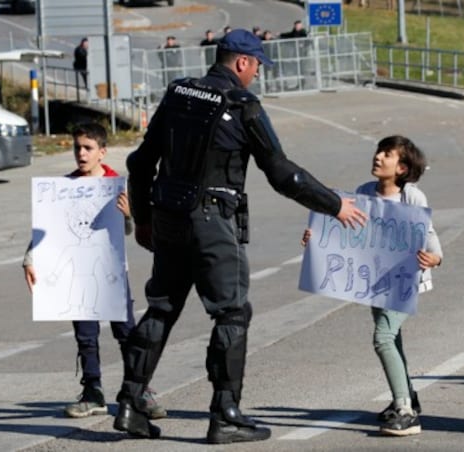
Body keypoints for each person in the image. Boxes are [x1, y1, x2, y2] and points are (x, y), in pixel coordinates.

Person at [113, 29, 367, 444]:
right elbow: (282, 172)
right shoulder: (242, 104)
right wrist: (334, 204)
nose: (257, 77)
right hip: (213, 221)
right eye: (257, 68)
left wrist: (144, 220)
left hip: (169, 219)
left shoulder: (178, 94)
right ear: (243, 63)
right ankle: (226, 413)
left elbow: (140, 164)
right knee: (231, 313)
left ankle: (129, 402)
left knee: (160, 309)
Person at [301, 135, 443, 436]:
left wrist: (436, 257)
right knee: (394, 339)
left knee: (383, 337)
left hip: (405, 279)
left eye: (387, 154)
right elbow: (347, 231)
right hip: (375, 280)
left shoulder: (412, 197)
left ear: (402, 168)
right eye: (379, 151)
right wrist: (317, 238)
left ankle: (405, 411)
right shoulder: (365, 193)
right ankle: (406, 397)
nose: (378, 157)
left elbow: (428, 234)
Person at [22, 123, 165, 420]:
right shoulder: (65, 187)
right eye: (77, 148)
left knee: (125, 332)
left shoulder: (116, 184)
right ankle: (92, 391)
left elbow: (129, 230)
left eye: (87, 148)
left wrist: (129, 215)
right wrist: (29, 259)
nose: (81, 154)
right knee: (85, 335)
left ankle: (139, 390)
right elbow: (47, 229)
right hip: (77, 274)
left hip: (110, 271)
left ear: (102, 151)